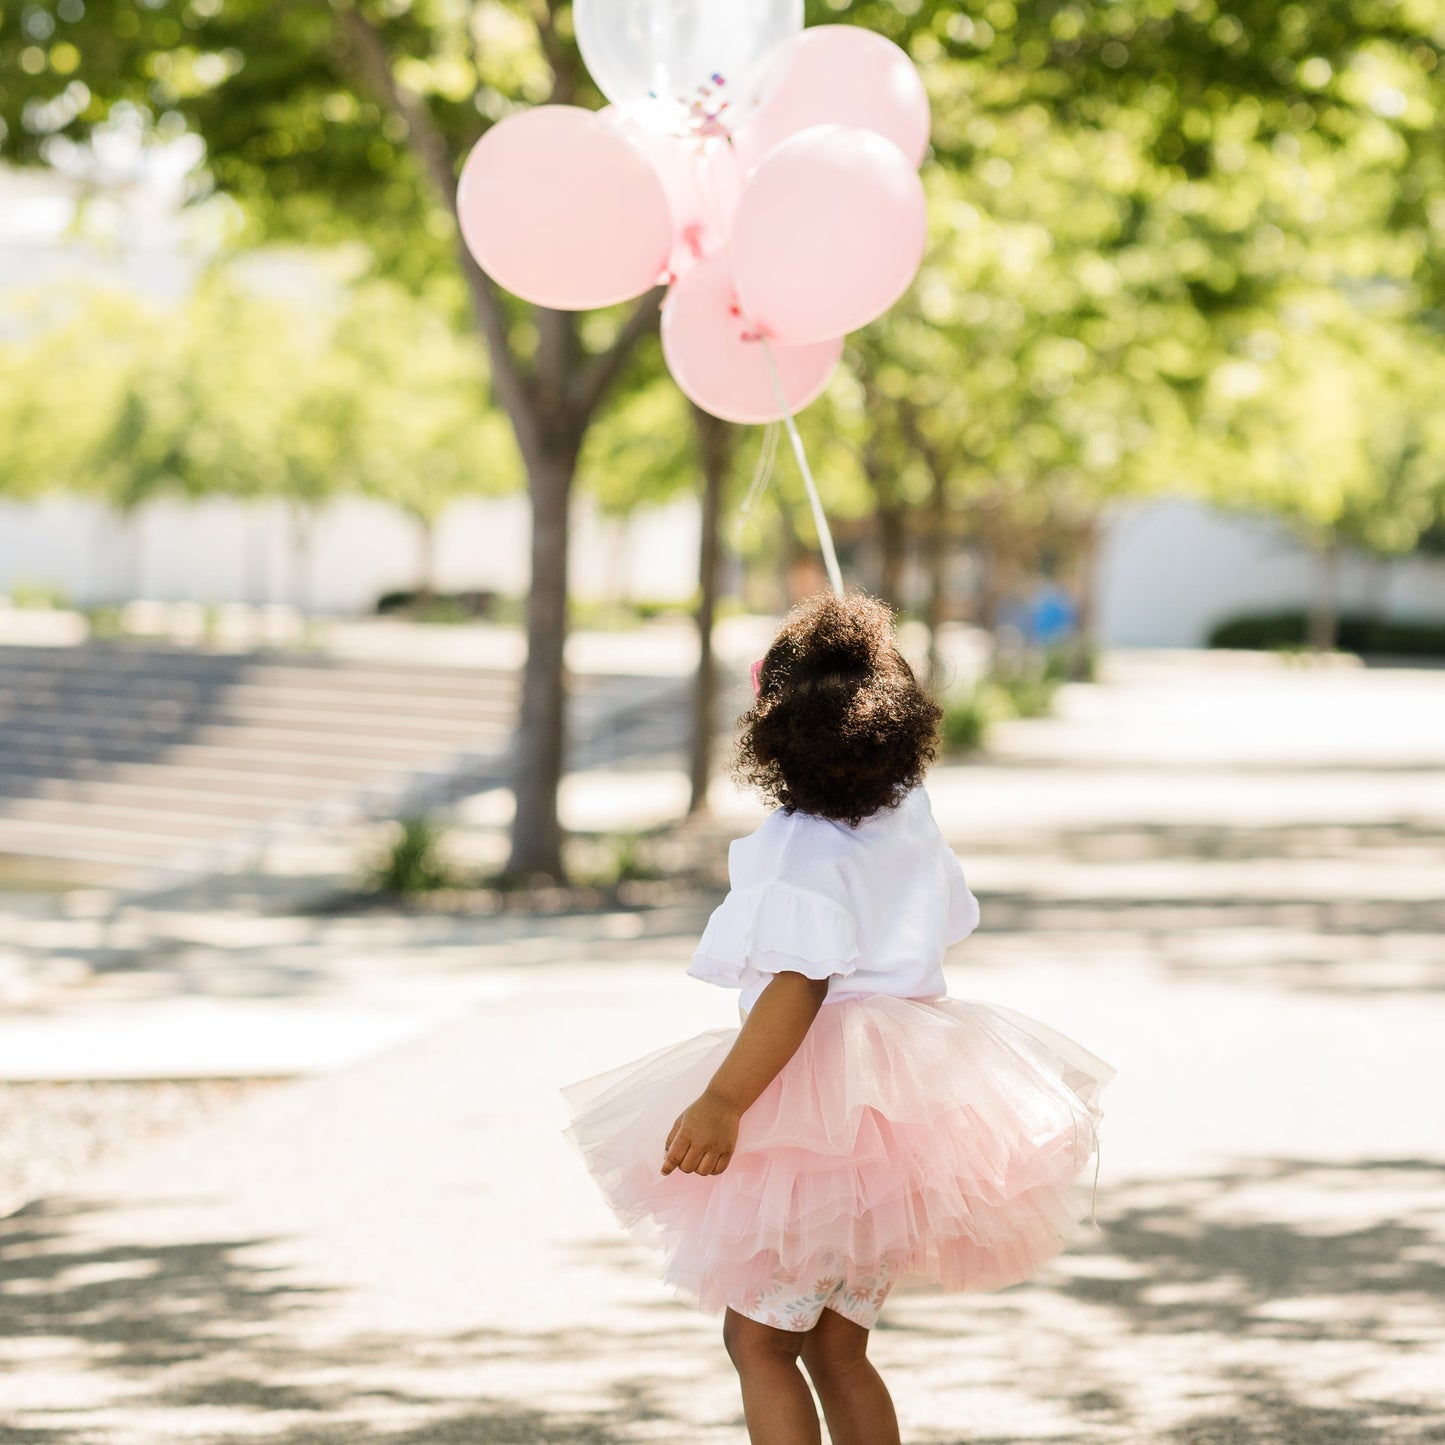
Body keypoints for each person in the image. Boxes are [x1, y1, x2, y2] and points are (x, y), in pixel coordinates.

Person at [563, 591, 1115, 1445]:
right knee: (835, 1345)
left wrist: (724, 1100)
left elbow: (798, 985)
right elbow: (952, 917)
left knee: (757, 1340)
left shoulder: (800, 845)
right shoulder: (910, 814)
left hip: (818, 1112)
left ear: (770, 733)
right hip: (902, 1111)